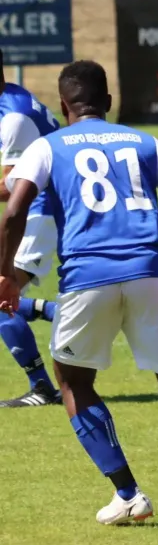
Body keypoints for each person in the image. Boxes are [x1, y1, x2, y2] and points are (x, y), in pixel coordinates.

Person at [0, 60, 158, 539]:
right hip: (152, 275)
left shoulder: (46, 147)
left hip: (86, 278)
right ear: (109, 102)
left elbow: (14, 210)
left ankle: (129, 494)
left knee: (73, 382)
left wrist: (6, 274)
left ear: (64, 106)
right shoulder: (145, 142)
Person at [0, 48, 61, 408]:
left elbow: (14, 186)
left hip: (40, 213)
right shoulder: (12, 100)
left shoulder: (14, 119)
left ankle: (41, 387)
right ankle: (53, 311)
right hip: (32, 210)